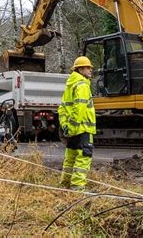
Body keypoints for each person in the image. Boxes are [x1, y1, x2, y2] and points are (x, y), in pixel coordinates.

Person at [58, 56, 96, 191]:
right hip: (83, 129)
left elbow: (62, 109)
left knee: (70, 159)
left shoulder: (70, 85)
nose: (91, 69)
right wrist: (73, 127)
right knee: (83, 158)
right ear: (80, 69)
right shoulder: (82, 85)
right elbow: (79, 109)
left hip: (71, 130)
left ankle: (65, 186)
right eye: (88, 67)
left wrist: (66, 127)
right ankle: (78, 189)